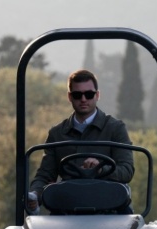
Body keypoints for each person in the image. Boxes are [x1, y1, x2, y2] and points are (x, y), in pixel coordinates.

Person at [27, 69, 134, 214]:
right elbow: (45, 175)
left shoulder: (115, 129)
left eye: (89, 94)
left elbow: (126, 170)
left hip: (109, 209)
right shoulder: (57, 134)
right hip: (68, 210)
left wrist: (102, 168)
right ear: (70, 97)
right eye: (77, 95)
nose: (83, 99)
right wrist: (34, 195)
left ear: (97, 95)